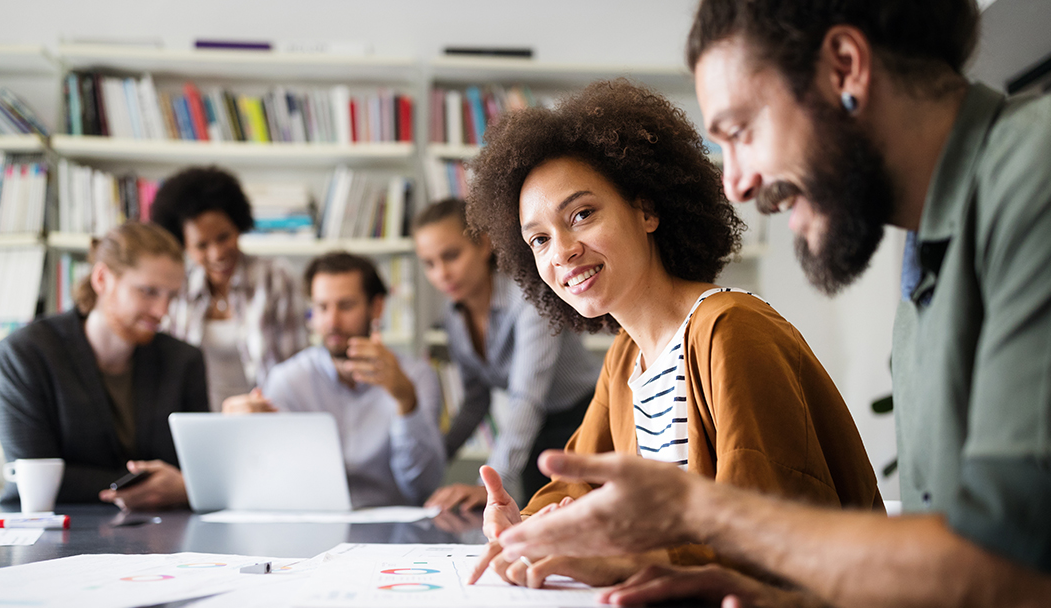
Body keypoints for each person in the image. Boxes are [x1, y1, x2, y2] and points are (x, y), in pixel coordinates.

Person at [492, 1, 1051, 606]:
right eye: (539, 239)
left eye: (740, 131)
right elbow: (961, 560)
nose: (737, 184)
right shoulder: (928, 268)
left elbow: (1008, 561)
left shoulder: (1033, 181)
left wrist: (696, 517)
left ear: (845, 69)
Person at [464, 79, 883, 589]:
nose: (562, 251)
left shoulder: (730, 331)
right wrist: (526, 529)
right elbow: (577, 486)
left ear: (646, 210)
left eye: (582, 214)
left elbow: (772, 530)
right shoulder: (626, 359)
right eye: (539, 239)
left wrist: (631, 558)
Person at [0, 222, 208, 511]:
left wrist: (187, 484)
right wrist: (170, 485)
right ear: (102, 279)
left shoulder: (183, 360)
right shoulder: (27, 353)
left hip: (162, 534)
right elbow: (34, 474)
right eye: (148, 291)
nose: (162, 311)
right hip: (57, 528)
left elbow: (198, 469)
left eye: (171, 296)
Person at [413, 198, 602, 511]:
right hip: (536, 430)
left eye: (451, 255)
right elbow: (476, 401)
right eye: (429, 263)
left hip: (583, 422)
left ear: (483, 245)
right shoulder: (453, 316)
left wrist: (489, 486)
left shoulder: (530, 299)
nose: (441, 274)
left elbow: (526, 397)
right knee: (537, 523)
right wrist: (435, 459)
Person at [222, 252, 445, 508]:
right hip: (312, 525)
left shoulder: (415, 377)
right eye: (322, 307)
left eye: (346, 305)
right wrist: (240, 434)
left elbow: (422, 487)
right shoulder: (288, 380)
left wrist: (406, 399)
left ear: (377, 307)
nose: (332, 321)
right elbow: (267, 478)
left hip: (393, 529)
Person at [151, 166, 307, 411]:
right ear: (183, 246)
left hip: (266, 416)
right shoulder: (177, 287)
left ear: (238, 225)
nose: (217, 253)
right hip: (198, 417)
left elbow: (296, 368)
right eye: (201, 245)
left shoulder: (276, 278)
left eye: (223, 237)